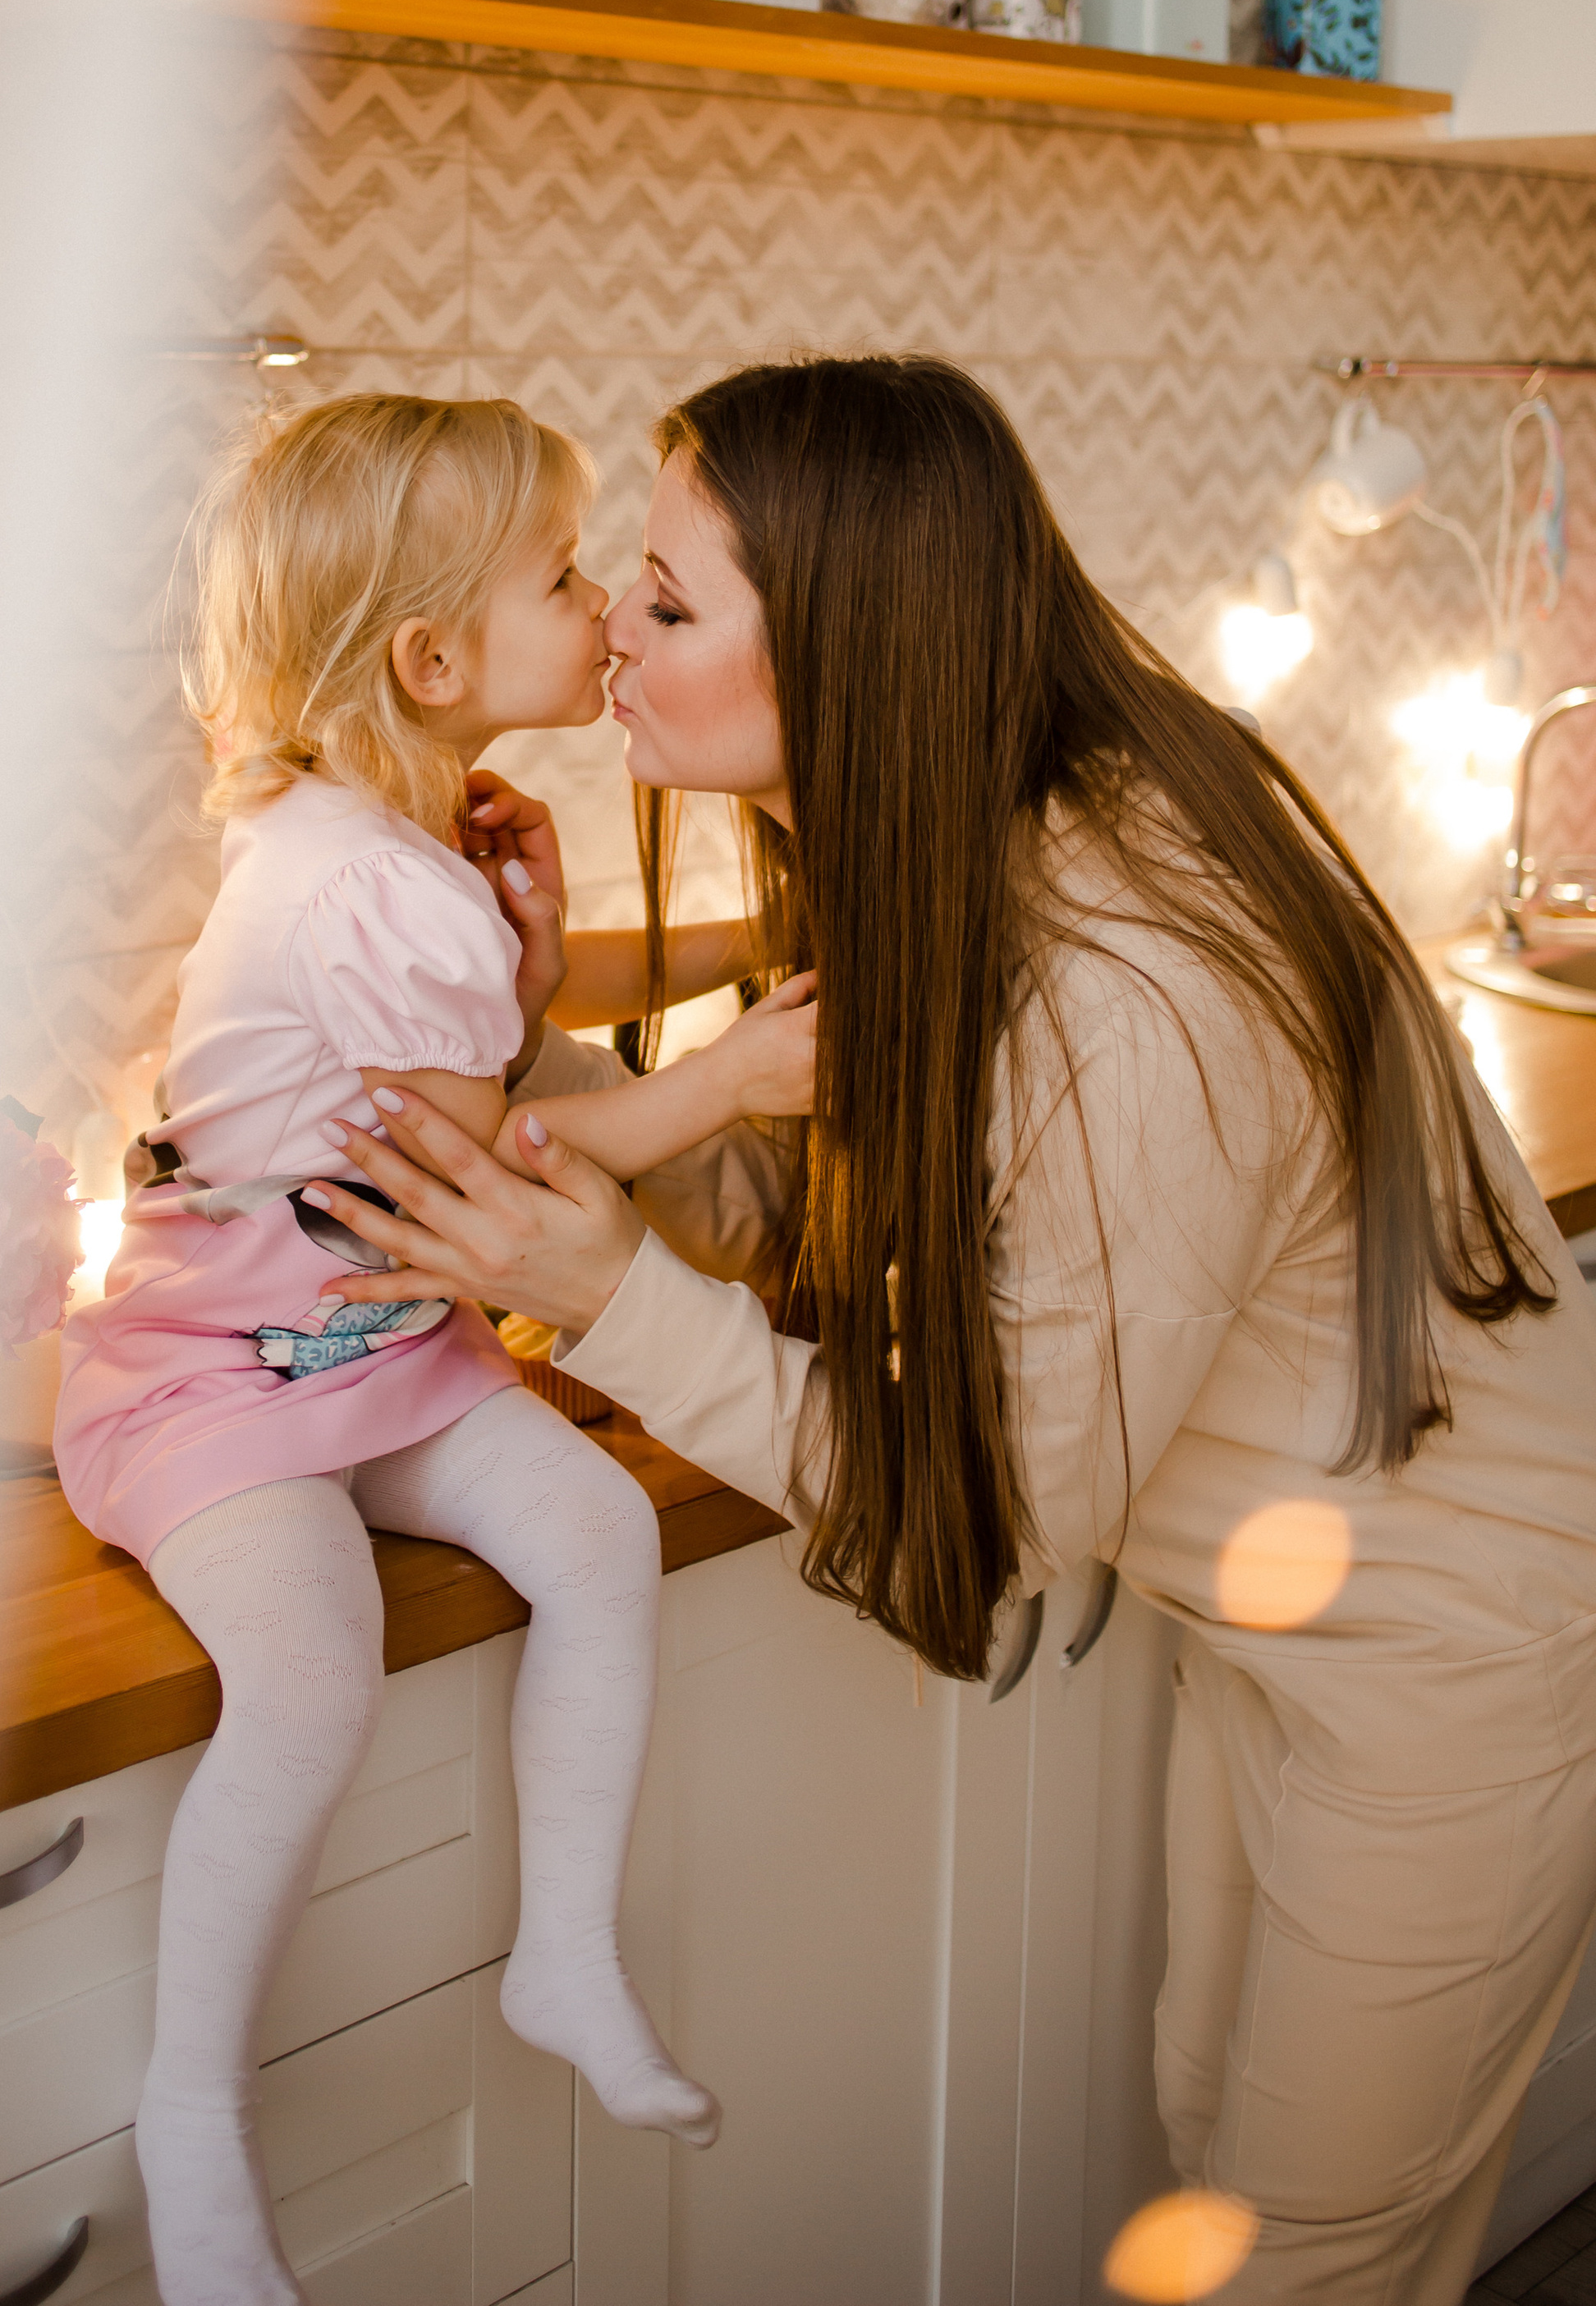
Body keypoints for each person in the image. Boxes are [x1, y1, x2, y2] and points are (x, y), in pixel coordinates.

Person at [314, 354, 1596, 2305]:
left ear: (842, 634)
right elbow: (828, 1211)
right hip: (1266, 1618)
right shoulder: (946, 823)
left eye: (665, 606)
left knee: (1313, 2246)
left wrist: (615, 1309)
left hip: (1456, 1647)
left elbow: (1001, 1524)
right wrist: (528, 1022)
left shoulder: (1130, 976)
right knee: (1211, 2126)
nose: (612, 647)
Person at [54, 392, 814, 2306]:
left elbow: (464, 1083)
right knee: (309, 1677)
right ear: (432, 659)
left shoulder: (382, 842)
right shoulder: (363, 885)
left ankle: (562, 1949)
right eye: (564, 582)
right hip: (219, 1376)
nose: (598, 615)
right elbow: (497, 1156)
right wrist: (720, 1075)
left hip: (375, 1339)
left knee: (595, 1535)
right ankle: (189, 2112)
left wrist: (552, 977)